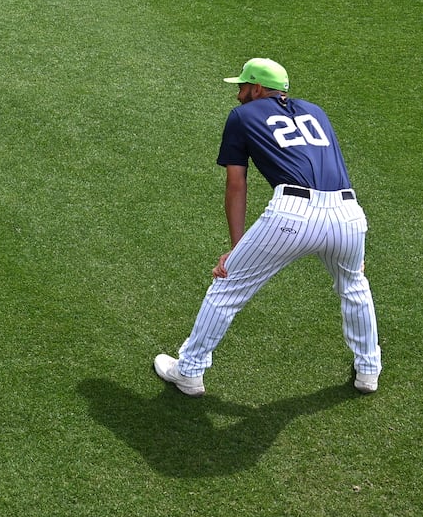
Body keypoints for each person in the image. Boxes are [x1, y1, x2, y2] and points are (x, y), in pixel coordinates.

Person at [154, 58, 381, 397]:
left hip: (292, 214)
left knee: (227, 285)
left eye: (242, 87)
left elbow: (236, 184)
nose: (238, 95)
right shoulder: (316, 112)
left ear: (257, 88)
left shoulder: (242, 117)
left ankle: (189, 371)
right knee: (354, 287)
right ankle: (368, 370)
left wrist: (236, 248)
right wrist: (349, 240)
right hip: (347, 212)